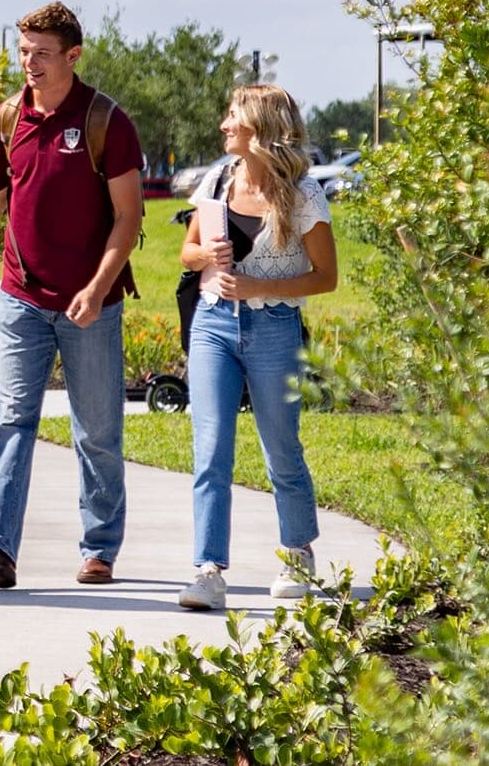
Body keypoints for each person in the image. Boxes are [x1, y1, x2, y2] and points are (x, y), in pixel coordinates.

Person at [0, 1, 145, 589]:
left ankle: (99, 548)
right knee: (11, 418)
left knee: (97, 431)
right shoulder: (6, 119)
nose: (28, 62)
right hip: (20, 297)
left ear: (73, 56)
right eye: (23, 50)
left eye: (41, 53)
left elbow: (129, 219)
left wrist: (98, 286)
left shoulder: (106, 121)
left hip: (91, 303)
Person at [177, 85, 338, 611]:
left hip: (274, 329)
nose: (224, 125)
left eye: (234, 118)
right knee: (211, 448)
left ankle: (298, 552)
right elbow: (187, 252)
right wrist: (207, 254)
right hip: (213, 326)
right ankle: (207, 570)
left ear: (261, 128)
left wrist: (260, 287)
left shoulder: (304, 193)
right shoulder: (217, 181)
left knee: (280, 447)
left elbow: (326, 278)